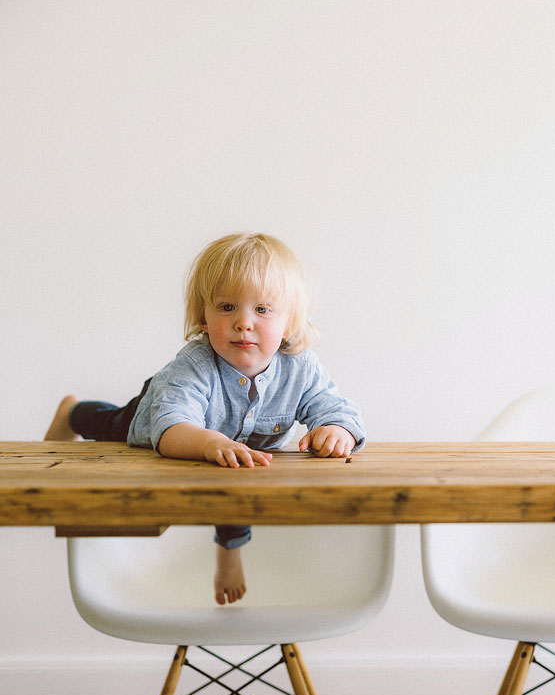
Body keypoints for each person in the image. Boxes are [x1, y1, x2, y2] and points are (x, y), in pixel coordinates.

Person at [45, 232, 364, 604]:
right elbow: (171, 430)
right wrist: (211, 442)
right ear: (203, 316)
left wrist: (335, 429)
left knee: (239, 476)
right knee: (108, 423)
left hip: (238, 452)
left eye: (261, 310)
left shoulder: (301, 368)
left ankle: (229, 552)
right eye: (227, 307)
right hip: (156, 414)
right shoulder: (194, 366)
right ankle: (71, 412)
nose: (243, 323)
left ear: (289, 323)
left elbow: (336, 406)